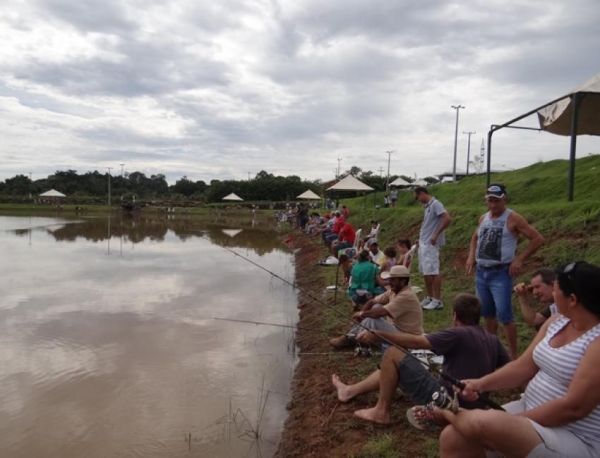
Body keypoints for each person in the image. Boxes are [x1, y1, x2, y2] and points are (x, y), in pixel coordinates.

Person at [435, 261, 600, 457]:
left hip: (575, 435)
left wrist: (513, 424)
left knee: (488, 422)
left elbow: (573, 408)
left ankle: (447, 413)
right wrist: (480, 384)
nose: (551, 295)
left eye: (555, 289)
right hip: (528, 410)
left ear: (572, 299)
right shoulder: (557, 321)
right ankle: (462, 418)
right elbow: (523, 366)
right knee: (452, 438)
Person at [331, 293, 510, 425]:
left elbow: (417, 342)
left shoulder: (457, 334)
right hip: (473, 406)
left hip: (447, 403)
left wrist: (378, 335)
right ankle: (349, 391)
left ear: (454, 315)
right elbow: (510, 369)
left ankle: (381, 411)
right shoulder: (492, 340)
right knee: (397, 363)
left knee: (393, 353)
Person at [466, 183, 544, 360]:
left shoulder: (513, 218)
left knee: (505, 315)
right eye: (490, 201)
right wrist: (471, 256)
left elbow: (537, 238)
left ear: (504, 200)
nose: (493, 205)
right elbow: (474, 237)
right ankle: (491, 350)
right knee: (487, 314)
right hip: (482, 272)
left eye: (497, 201)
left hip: (500, 273)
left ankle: (513, 355)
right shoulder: (483, 218)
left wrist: (519, 259)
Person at [330, 265, 422, 348]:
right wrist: (360, 317)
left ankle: (352, 338)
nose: (390, 282)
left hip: (408, 337)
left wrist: (362, 314)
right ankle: (356, 335)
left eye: (393, 280)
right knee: (376, 306)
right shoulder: (394, 290)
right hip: (396, 328)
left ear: (403, 281)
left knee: (373, 319)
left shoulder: (406, 295)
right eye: (390, 279)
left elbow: (381, 312)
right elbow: (372, 301)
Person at [414, 186, 452, 310]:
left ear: (422, 194)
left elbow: (447, 218)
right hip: (424, 242)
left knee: (434, 271)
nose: (417, 200)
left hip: (431, 244)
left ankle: (437, 300)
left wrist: (436, 234)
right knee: (426, 271)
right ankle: (430, 296)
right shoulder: (427, 206)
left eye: (417, 197)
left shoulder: (436, 204)